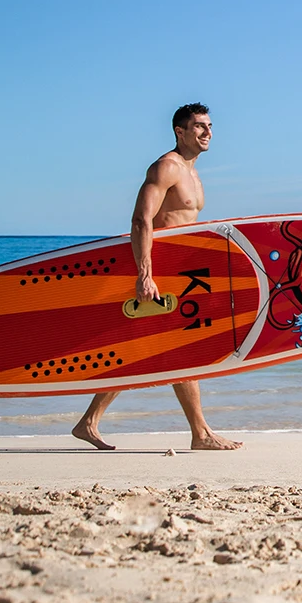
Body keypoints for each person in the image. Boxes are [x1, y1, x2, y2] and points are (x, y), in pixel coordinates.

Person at [72, 103, 243, 453]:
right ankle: (201, 433)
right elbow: (141, 220)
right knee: (178, 350)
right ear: (180, 132)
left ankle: (89, 422)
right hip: (157, 272)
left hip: (182, 273)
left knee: (145, 349)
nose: (208, 132)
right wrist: (144, 275)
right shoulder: (167, 167)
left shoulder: (192, 173)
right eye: (199, 126)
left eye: (210, 126)